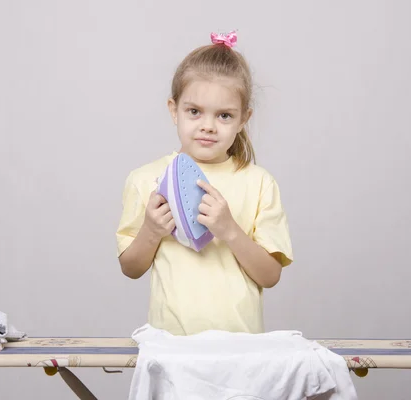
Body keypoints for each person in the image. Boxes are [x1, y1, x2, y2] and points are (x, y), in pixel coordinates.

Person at [116, 31, 293, 336]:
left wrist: (229, 230)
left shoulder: (259, 182)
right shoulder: (145, 179)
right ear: (174, 110)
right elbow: (131, 269)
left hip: (241, 348)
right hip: (171, 347)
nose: (208, 126)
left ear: (243, 120)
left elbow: (270, 275)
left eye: (224, 115)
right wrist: (151, 230)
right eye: (194, 111)